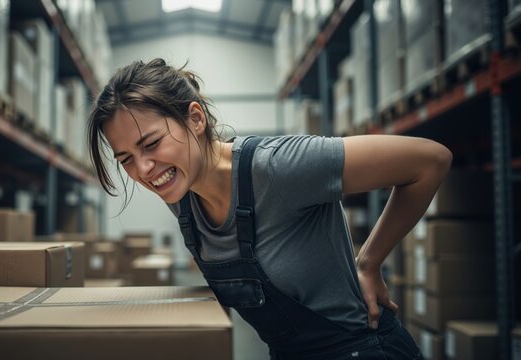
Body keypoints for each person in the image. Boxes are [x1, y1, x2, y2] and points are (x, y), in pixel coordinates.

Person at [87, 58, 451, 359]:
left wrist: (369, 262)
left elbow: (430, 161)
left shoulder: (278, 166)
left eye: (150, 143)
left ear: (195, 119)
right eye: (126, 160)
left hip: (363, 350)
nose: (144, 170)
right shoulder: (182, 197)